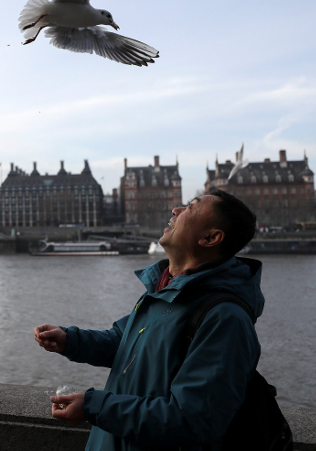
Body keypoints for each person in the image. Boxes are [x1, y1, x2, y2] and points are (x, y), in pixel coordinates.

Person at [34, 189, 262, 450]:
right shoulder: (165, 290)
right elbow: (125, 342)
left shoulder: (225, 319)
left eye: (190, 207)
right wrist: (70, 340)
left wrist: (94, 406)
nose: (176, 210)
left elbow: (193, 421)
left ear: (210, 237)